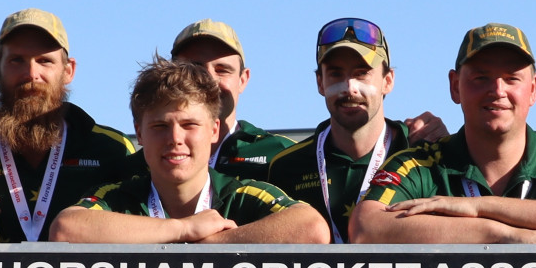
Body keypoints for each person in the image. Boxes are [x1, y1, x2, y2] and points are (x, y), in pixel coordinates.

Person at [351, 24, 536, 244]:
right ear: (455, 86)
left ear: (533, 89)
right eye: (481, 78)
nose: (497, 91)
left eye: (512, 78)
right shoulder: (418, 165)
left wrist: (481, 207)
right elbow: (365, 226)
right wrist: (501, 235)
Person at [51, 58, 329, 244]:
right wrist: (184, 229)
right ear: (139, 133)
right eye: (160, 126)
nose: (175, 139)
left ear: (214, 130)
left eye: (189, 125)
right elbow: (66, 228)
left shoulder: (240, 196)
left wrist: (213, 244)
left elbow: (312, 229)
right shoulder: (118, 197)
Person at [0, 8, 138, 241]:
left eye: (45, 61)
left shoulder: (113, 150)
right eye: (17, 60)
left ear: (68, 71)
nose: (32, 74)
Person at [267, 18, 450, 243]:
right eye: (336, 74)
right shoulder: (286, 166)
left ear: (388, 80)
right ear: (320, 83)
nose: (350, 88)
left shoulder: (422, 153)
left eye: (362, 73)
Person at [166, 19, 292, 179]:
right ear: (169, 77)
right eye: (195, 69)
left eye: (222, 70)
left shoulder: (281, 154)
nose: (209, 80)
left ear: (243, 80)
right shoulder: (146, 162)